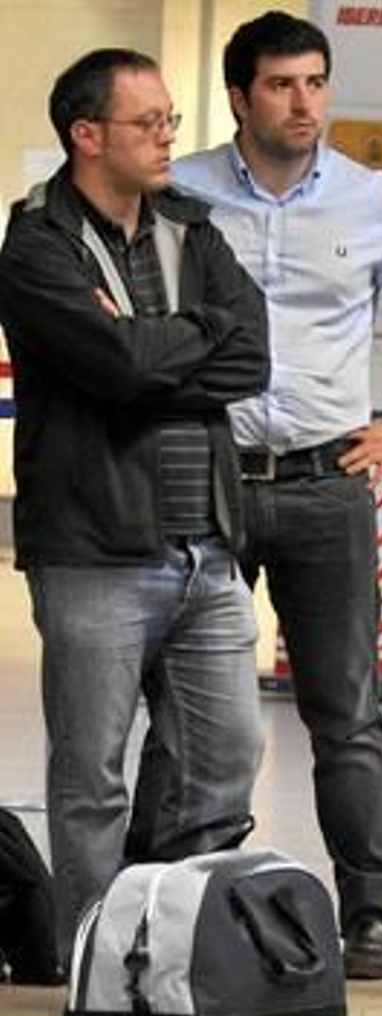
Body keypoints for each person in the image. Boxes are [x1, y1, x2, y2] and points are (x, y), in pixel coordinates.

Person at [133, 10, 382, 980]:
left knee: (346, 714)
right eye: (281, 85)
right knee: (189, 715)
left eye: (315, 82)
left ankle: (374, 917)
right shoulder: (182, 192)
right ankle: (166, 900)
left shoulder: (373, 200)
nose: (304, 102)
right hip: (204, 481)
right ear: (238, 97)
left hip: (323, 485)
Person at [0, 49, 269, 958]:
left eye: (169, 122)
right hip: (93, 554)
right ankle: (93, 958)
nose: (167, 138)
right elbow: (108, 365)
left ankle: (177, 938)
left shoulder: (192, 230)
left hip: (207, 547)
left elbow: (251, 357)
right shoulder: (36, 244)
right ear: (87, 135)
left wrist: (153, 351)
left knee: (226, 757)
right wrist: (179, 348)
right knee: (92, 780)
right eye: (147, 123)